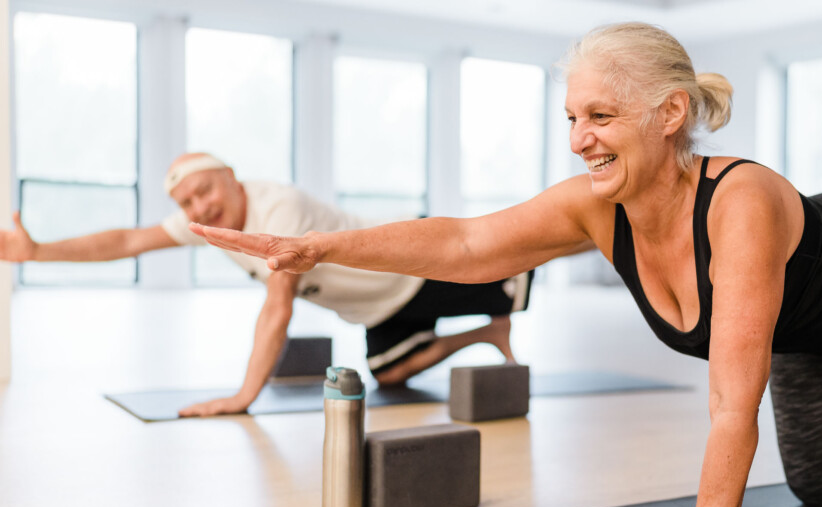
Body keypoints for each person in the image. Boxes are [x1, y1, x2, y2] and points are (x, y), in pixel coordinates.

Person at [192, 22, 822, 507]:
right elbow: (468, 244)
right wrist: (323, 249)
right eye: (571, 116)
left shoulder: (740, 207)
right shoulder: (597, 206)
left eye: (601, 114)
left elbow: (730, 407)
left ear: (669, 114)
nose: (580, 137)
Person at [0, 153, 532, 417]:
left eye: (205, 191)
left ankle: (578, 240)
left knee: (524, 264)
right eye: (187, 203)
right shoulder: (210, 225)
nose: (199, 208)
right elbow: (125, 242)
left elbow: (279, 310)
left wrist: (242, 397)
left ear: (230, 176)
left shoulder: (278, 207)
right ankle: (489, 333)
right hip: (373, 310)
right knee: (390, 373)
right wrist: (39, 251)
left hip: (413, 273)